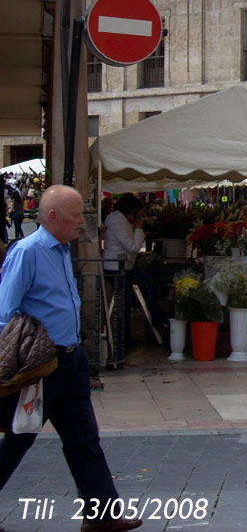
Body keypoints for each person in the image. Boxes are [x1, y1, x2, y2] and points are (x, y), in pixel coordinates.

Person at [0, 185, 143, 532]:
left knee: (84, 439)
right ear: (53, 217)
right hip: (42, 365)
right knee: (19, 439)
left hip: (71, 359)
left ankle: (102, 515)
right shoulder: (29, 252)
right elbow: (5, 312)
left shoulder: (63, 248)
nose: (82, 222)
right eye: (76, 215)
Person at [103, 193, 169, 344]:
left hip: (126, 267)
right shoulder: (119, 225)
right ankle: (124, 337)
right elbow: (132, 247)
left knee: (149, 284)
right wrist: (139, 229)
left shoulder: (121, 223)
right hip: (116, 268)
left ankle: (157, 319)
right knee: (125, 299)